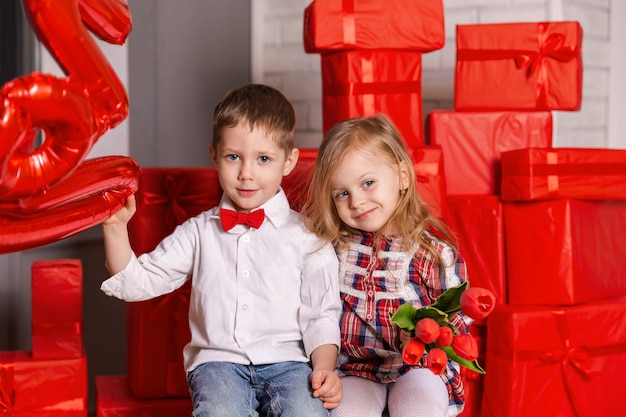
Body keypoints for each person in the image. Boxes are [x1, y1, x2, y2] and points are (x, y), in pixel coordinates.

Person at [100, 84, 343, 417]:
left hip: (290, 362)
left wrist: (325, 367)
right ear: (214, 155)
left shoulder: (307, 237)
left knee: (308, 411)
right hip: (218, 364)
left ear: (288, 162)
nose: (246, 173)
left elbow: (321, 314)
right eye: (233, 157)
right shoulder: (198, 232)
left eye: (263, 159)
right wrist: (115, 229)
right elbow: (138, 282)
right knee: (220, 411)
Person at [301, 114, 472, 417]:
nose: (356, 201)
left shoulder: (431, 252)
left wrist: (427, 332)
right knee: (346, 412)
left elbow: (456, 320)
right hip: (355, 367)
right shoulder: (333, 250)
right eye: (342, 193)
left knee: (418, 408)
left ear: (402, 176)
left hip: (416, 364)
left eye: (368, 183)